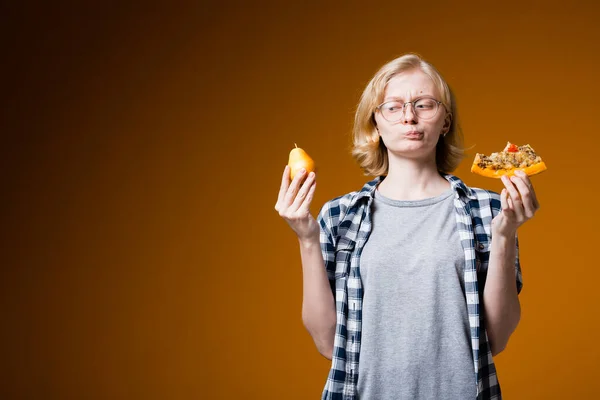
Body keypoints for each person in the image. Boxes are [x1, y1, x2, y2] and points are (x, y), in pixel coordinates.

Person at [274, 53, 539, 400]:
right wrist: (308, 239)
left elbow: (497, 337)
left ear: (445, 121)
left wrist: (504, 235)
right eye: (393, 107)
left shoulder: (488, 209)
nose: (410, 117)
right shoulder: (339, 216)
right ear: (376, 124)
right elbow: (327, 343)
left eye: (424, 105)